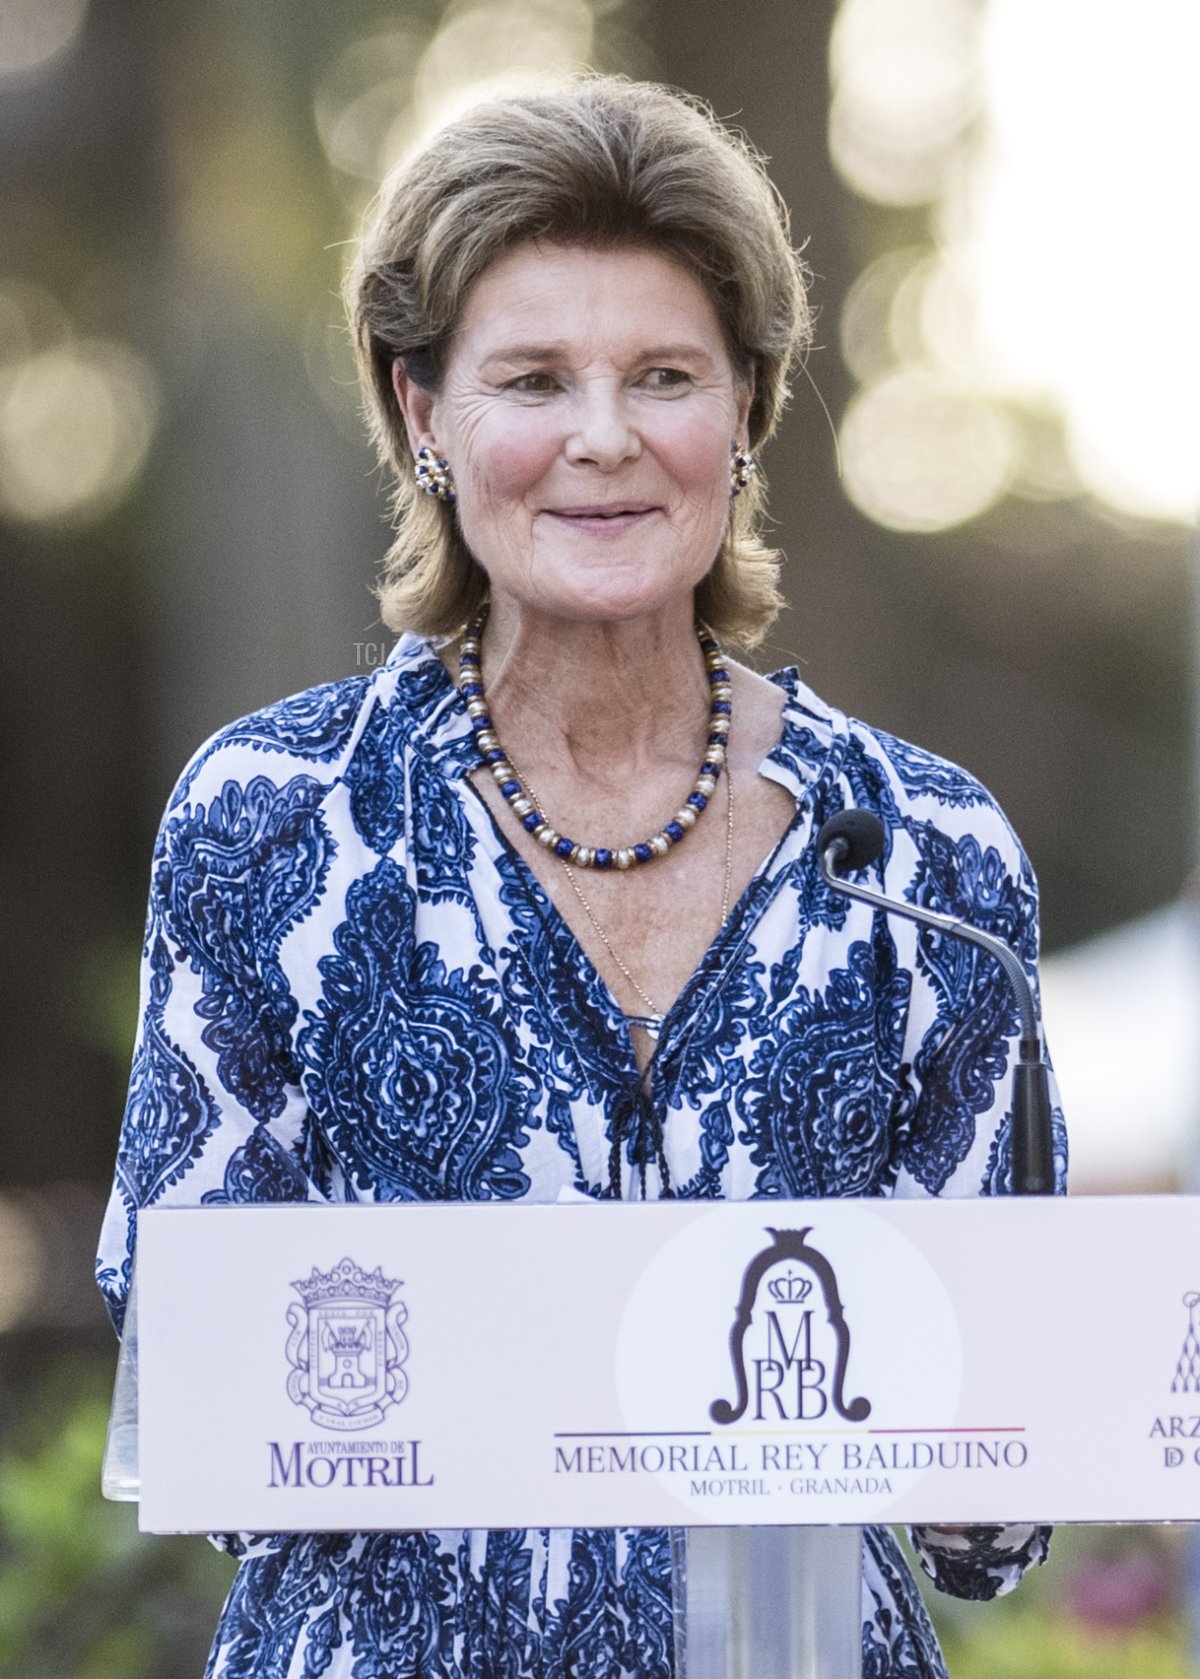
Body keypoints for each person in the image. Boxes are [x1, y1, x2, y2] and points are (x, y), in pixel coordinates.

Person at [97, 75, 1066, 1679]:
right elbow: (196, 1388)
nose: (604, 438)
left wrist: (1022, 1413)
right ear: (424, 414)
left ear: (746, 411)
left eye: (666, 375)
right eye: (533, 379)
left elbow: (996, 1514)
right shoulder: (273, 822)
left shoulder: (932, 856)